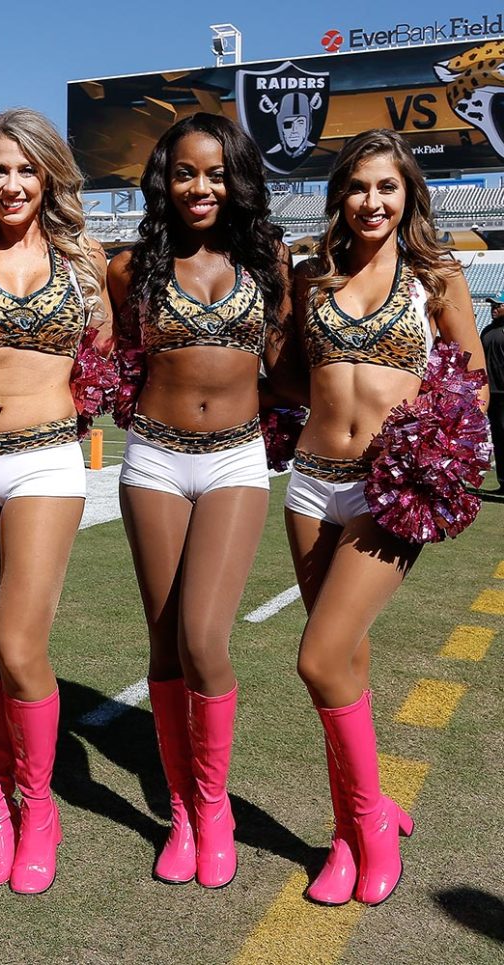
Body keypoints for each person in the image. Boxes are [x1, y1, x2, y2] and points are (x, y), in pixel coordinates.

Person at [286, 129, 485, 906]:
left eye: (387, 187)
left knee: (319, 658)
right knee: (346, 664)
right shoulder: (311, 275)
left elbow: (472, 380)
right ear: (340, 194)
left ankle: (369, 826)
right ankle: (349, 830)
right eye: (359, 186)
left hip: (388, 491)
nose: (372, 201)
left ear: (409, 195)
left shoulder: (437, 276)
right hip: (312, 483)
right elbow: (289, 372)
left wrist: (437, 445)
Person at [0, 108, 110, 895]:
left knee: (19, 643)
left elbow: (103, 356)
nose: (11, 183)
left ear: (49, 176)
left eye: (26, 169)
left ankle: (38, 811)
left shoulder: (85, 259)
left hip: (45, 461)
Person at [107, 114, 289, 890]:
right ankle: (181, 812)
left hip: (235, 459)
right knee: (164, 643)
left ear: (237, 178)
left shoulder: (269, 257)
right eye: (185, 173)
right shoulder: (131, 266)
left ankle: (214, 810)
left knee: (205, 638)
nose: (200, 187)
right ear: (165, 181)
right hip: (154, 458)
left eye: (215, 173)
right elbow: (120, 357)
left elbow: (284, 364)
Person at [481, 293, 504, 489]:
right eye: (492, 306)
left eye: (498, 305)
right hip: (492, 394)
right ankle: (503, 482)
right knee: (498, 438)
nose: (494, 309)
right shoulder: (487, 331)